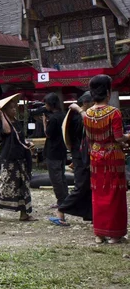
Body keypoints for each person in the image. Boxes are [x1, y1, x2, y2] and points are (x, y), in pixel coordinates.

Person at [81, 75, 129, 243]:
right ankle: (114, 235)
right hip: (112, 157)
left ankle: (100, 234)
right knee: (114, 193)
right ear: (108, 92)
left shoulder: (87, 114)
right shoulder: (114, 113)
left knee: (99, 192)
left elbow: (89, 139)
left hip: (96, 156)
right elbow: (118, 138)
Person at [0, 94, 36, 222]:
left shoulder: (17, 123)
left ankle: (23, 213)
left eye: (15, 107)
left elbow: (20, 138)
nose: (14, 110)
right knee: (8, 184)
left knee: (22, 185)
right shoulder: (2, 124)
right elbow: (7, 131)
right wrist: (2, 115)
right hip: (9, 159)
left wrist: (28, 144)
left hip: (21, 157)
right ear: (5, 110)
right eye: (11, 108)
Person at [51, 91, 94, 226]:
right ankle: (61, 211)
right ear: (86, 103)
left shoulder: (79, 115)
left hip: (82, 156)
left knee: (88, 186)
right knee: (80, 186)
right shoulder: (78, 117)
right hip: (80, 156)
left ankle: (91, 215)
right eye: (92, 103)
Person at [42, 93, 68, 208]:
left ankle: (61, 201)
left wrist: (44, 122)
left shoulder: (53, 118)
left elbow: (48, 134)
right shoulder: (63, 115)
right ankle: (65, 199)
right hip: (62, 149)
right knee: (62, 177)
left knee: (55, 179)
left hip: (53, 151)